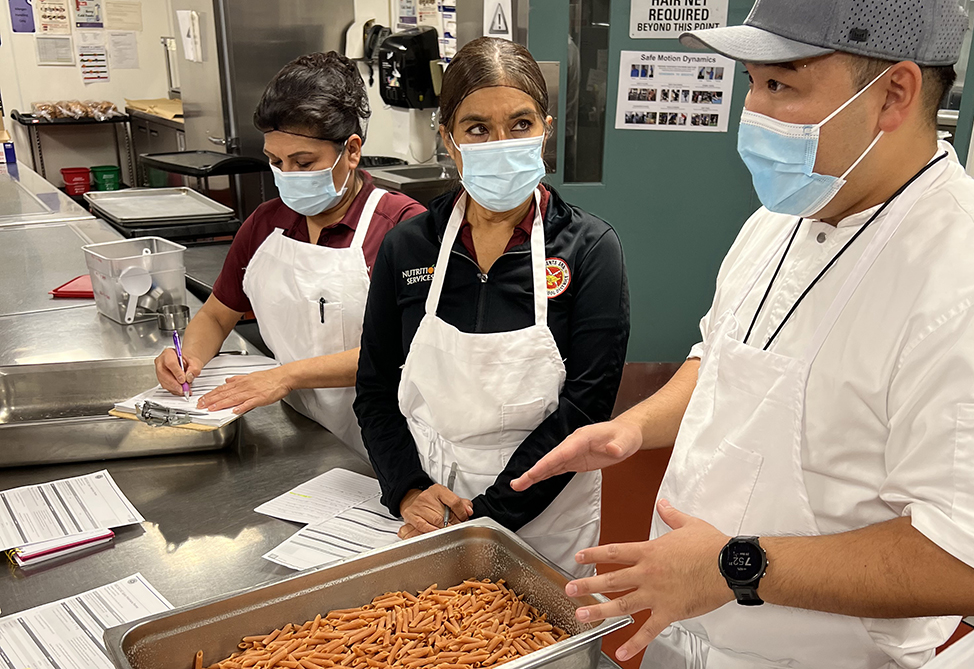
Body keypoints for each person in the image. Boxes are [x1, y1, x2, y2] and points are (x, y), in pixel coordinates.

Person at [512, 0, 974, 666]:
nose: (755, 114)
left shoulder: (969, 280)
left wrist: (735, 566)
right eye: (753, 84)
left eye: (783, 85)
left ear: (894, 92)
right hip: (690, 629)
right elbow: (727, 356)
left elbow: (973, 559)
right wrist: (634, 428)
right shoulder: (782, 216)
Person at [354, 37, 630, 578]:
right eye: (477, 128)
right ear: (448, 139)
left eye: (520, 124)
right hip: (431, 501)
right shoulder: (409, 246)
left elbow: (585, 408)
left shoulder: (591, 248)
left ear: (546, 129)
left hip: (542, 504)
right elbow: (375, 389)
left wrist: (487, 517)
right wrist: (408, 488)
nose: (500, 142)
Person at [154, 51, 424, 457]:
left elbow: (410, 348)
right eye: (276, 162)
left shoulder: (401, 227)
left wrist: (286, 376)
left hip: (397, 442)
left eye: (304, 162)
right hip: (306, 435)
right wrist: (187, 358)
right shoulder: (266, 223)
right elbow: (216, 313)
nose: (288, 176)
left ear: (351, 151)